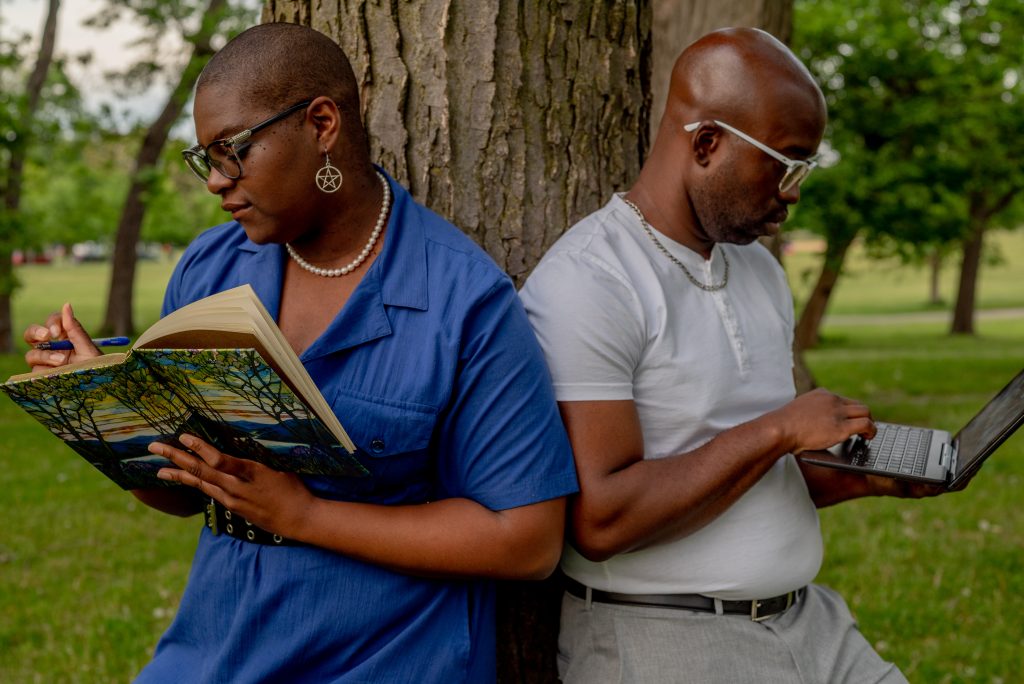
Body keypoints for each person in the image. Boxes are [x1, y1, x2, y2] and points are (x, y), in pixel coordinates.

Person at [23, 22, 578, 683]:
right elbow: (183, 496)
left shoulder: (462, 299)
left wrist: (305, 515)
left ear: (320, 123)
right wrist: (106, 409)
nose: (214, 182)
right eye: (205, 159)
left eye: (231, 151)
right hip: (214, 648)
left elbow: (528, 541)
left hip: (387, 657)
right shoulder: (209, 269)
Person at [519, 27, 944, 683]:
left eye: (804, 168)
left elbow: (751, 469)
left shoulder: (760, 273)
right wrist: (778, 428)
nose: (793, 192)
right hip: (662, 636)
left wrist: (863, 477)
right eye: (784, 163)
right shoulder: (591, 280)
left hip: (811, 626)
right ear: (707, 143)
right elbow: (601, 520)